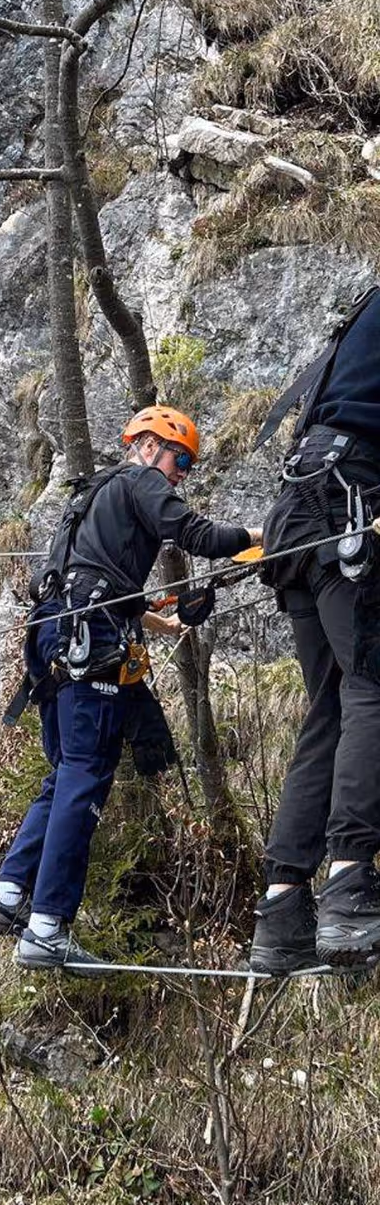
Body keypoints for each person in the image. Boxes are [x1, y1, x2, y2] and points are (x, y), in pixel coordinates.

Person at [0, 406, 262, 971]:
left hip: (54, 637)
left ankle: (8, 897)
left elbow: (93, 584)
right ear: (150, 445)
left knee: (63, 775)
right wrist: (264, 534)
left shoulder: (91, 494)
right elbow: (194, 534)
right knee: (85, 776)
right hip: (88, 639)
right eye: (180, 459)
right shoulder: (140, 478)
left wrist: (163, 622)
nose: (180, 473)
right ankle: (48, 924)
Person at [250, 286, 380, 974]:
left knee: (328, 710)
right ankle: (349, 879)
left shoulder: (363, 311)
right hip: (344, 506)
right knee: (372, 691)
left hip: (299, 516)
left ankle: (281, 911)